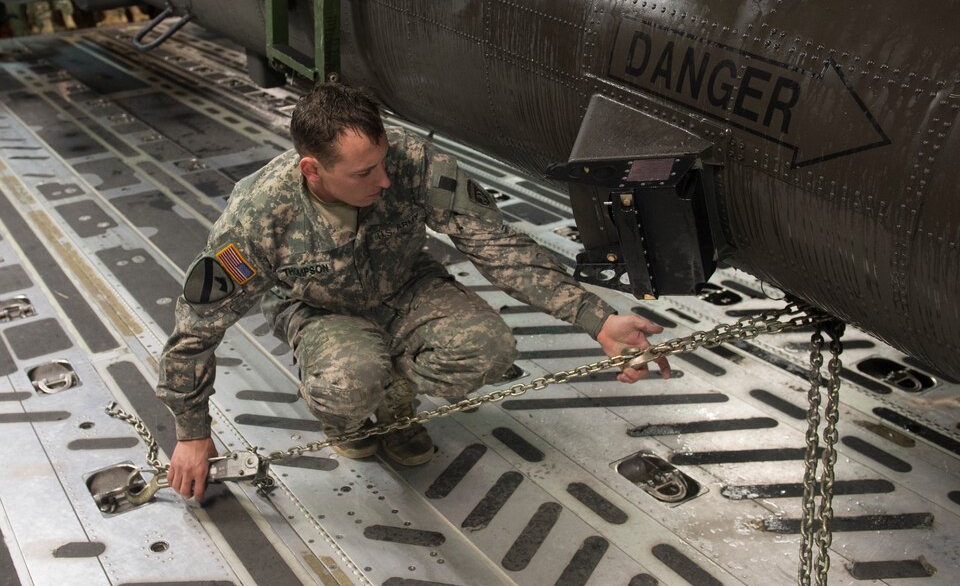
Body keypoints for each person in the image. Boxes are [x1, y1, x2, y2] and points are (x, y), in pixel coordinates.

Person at [157, 83, 670, 501]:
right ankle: (358, 414)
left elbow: (495, 244)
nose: (384, 179)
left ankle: (396, 402)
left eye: (382, 160)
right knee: (348, 383)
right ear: (312, 169)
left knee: (488, 348)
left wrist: (595, 319)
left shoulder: (413, 161)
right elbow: (197, 327)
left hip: (407, 287)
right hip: (318, 309)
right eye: (363, 172)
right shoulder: (258, 216)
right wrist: (192, 433)